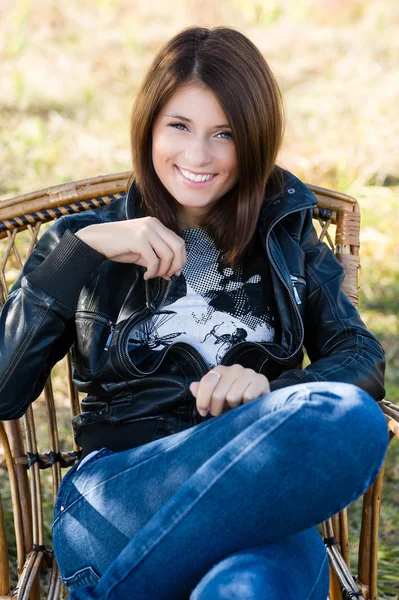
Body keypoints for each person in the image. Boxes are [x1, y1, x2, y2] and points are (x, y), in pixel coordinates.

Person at [0, 25, 388, 600]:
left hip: (257, 493)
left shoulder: (285, 229)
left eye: (224, 134)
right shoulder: (82, 239)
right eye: (178, 126)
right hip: (121, 495)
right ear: (149, 126)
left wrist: (271, 390)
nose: (198, 156)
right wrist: (79, 252)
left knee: (340, 425)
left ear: (253, 140)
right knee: (346, 425)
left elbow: (360, 357)